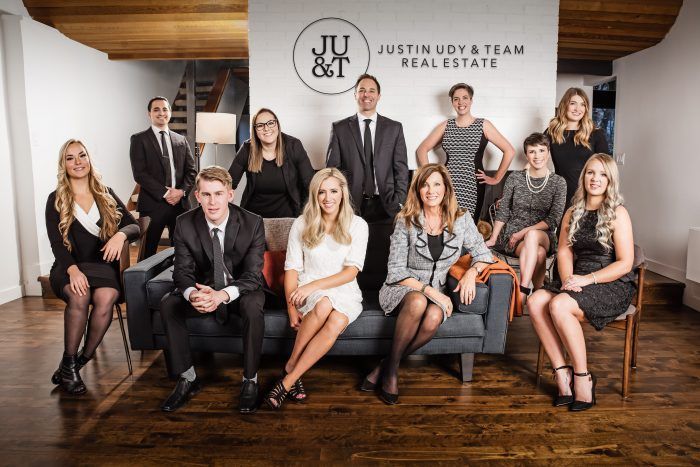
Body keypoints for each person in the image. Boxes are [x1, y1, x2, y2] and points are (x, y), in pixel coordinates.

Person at [362, 163, 494, 404]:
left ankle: (387, 364)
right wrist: (432, 292)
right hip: (402, 288)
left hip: (438, 291)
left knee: (433, 316)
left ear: (446, 189)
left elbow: (484, 254)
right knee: (417, 301)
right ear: (418, 190)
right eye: (425, 185)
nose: (430, 190)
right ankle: (391, 375)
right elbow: (395, 271)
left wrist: (470, 273)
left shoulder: (462, 219)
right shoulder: (406, 221)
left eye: (436, 184)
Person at [528, 154, 635, 412]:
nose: (595, 179)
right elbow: (564, 252)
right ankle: (561, 373)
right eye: (591, 173)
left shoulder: (618, 213)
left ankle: (582, 377)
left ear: (610, 181)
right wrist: (567, 280)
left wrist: (587, 280)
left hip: (610, 282)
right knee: (535, 300)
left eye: (603, 175)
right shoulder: (572, 212)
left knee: (559, 306)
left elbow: (625, 262)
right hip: (577, 278)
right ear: (583, 176)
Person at [159, 166, 266, 414]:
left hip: (240, 290)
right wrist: (193, 295)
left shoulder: (252, 223)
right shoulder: (184, 223)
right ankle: (188, 378)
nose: (212, 201)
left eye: (218, 194)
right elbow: (182, 272)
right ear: (197, 196)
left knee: (253, 305)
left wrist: (222, 295)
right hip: (203, 288)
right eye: (206, 194)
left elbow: (252, 275)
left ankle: (250, 380)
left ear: (230, 194)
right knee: (169, 303)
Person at [264, 168, 368, 410]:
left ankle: (290, 372)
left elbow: (351, 272)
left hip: (344, 290)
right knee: (323, 304)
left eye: (333, 190)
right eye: (321, 192)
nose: (327, 197)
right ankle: (290, 377)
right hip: (308, 291)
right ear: (314, 195)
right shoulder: (302, 223)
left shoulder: (358, 225)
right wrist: (292, 309)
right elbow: (291, 269)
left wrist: (314, 286)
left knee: (334, 319)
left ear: (342, 193)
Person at [46, 139, 140, 395]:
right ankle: (70, 360)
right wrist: (73, 270)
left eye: (82, 155)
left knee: (107, 295)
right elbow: (56, 244)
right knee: (80, 294)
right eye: (70, 158)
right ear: (63, 164)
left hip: (101, 267)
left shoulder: (105, 192)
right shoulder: (56, 199)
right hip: (68, 268)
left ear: (89, 159)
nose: (77, 162)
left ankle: (75, 363)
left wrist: (120, 236)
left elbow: (135, 225)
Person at [485, 133, 566, 302]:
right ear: (526, 154)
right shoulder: (515, 178)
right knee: (538, 253)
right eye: (532, 152)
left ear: (548, 152)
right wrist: (493, 238)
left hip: (543, 235)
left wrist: (523, 232)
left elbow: (554, 219)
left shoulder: (558, 182)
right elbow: (504, 210)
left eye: (541, 151)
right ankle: (537, 294)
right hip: (513, 238)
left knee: (533, 236)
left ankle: (522, 291)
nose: (537, 156)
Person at [416, 83, 515, 221]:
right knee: (445, 222)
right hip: (447, 183)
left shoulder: (483, 125)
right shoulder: (446, 125)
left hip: (472, 184)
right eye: (456, 99)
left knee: (467, 224)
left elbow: (509, 150)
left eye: (465, 98)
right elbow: (422, 149)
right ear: (452, 102)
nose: (460, 102)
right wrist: (429, 176)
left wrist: (497, 178)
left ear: (471, 100)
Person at [326, 73, 408, 222]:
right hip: (350, 205)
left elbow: (401, 168)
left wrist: (398, 200)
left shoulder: (394, 128)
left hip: (387, 203)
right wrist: (341, 200)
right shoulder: (340, 128)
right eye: (362, 90)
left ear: (378, 95)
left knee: (385, 245)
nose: (366, 94)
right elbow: (332, 170)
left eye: (371, 90)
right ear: (355, 95)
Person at [129, 96, 197, 259]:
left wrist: (180, 192)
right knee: (148, 251)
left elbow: (192, 171)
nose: (161, 113)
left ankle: (177, 281)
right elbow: (140, 173)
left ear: (170, 112)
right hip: (153, 204)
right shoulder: (139, 139)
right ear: (149, 114)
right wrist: (166, 194)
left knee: (181, 251)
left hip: (179, 205)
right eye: (156, 109)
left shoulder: (181, 140)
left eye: (165, 109)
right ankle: (142, 283)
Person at [229, 108, 315, 218]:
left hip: (288, 218)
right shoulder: (247, 149)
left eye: (270, 123)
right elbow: (228, 184)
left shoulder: (294, 146)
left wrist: (305, 215)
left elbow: (311, 185)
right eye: (260, 125)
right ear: (255, 130)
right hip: (253, 219)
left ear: (277, 124)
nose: (266, 128)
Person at [546, 87, 609, 207]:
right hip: (561, 195)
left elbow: (607, 168)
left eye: (582, 105)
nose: (578, 109)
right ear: (565, 106)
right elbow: (537, 155)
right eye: (573, 103)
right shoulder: (552, 132)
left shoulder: (596, 134)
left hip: (589, 195)